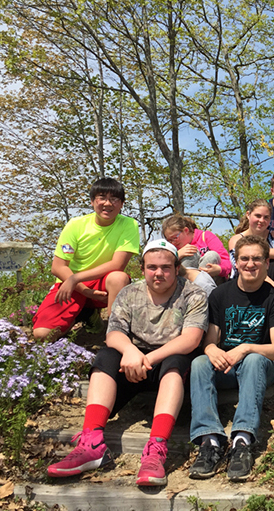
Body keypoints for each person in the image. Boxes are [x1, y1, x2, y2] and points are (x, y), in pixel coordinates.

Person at [47, 239, 208, 487]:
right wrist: (131, 351)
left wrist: (148, 359)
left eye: (166, 267)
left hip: (168, 361)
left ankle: (156, 449)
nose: (159, 273)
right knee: (106, 356)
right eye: (152, 267)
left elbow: (191, 339)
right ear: (142, 269)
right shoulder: (129, 293)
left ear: (177, 268)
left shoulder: (193, 293)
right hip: (133, 362)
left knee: (176, 362)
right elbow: (114, 333)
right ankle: (91, 443)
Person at [187, 235, 274, 482]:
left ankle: (242, 440)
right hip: (227, 366)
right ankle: (210, 440)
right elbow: (211, 340)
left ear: (266, 263)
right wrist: (210, 349)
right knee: (199, 362)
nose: (250, 264)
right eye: (245, 258)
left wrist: (245, 348)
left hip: (260, 365)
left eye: (256, 259)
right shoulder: (220, 295)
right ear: (236, 261)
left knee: (253, 359)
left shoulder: (273, 298)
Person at [32, 177, 140, 341]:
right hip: (71, 284)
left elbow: (117, 264)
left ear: (122, 203)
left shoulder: (129, 224)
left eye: (114, 199)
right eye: (102, 198)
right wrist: (82, 288)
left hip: (99, 282)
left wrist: (76, 278)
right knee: (42, 335)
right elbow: (58, 267)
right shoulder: (76, 224)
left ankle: (114, 334)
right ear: (92, 201)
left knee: (118, 277)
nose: (108, 204)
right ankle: (85, 314)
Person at [228, 200, 274, 293]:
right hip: (245, 284)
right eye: (258, 216)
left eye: (266, 217)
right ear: (248, 215)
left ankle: (273, 299)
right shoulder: (236, 239)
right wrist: (265, 278)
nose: (261, 220)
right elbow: (237, 266)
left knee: (273, 264)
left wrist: (257, 254)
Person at [161, 215, 231, 288]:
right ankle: (192, 291)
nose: (173, 242)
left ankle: (199, 290)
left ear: (186, 230)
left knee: (212, 255)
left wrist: (219, 269)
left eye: (174, 238)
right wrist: (177, 255)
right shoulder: (174, 249)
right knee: (187, 255)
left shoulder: (205, 236)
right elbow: (162, 266)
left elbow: (226, 261)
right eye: (169, 241)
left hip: (213, 281)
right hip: (187, 284)